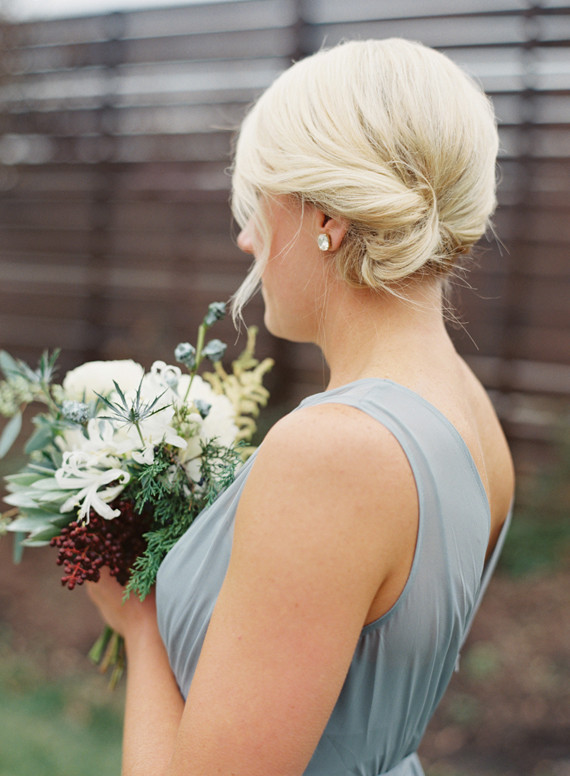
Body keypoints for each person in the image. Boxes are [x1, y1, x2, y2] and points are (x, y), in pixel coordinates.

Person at [87, 38, 515, 776]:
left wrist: (141, 626)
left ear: (326, 217)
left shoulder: (335, 451)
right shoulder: (468, 410)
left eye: (258, 203)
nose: (247, 236)